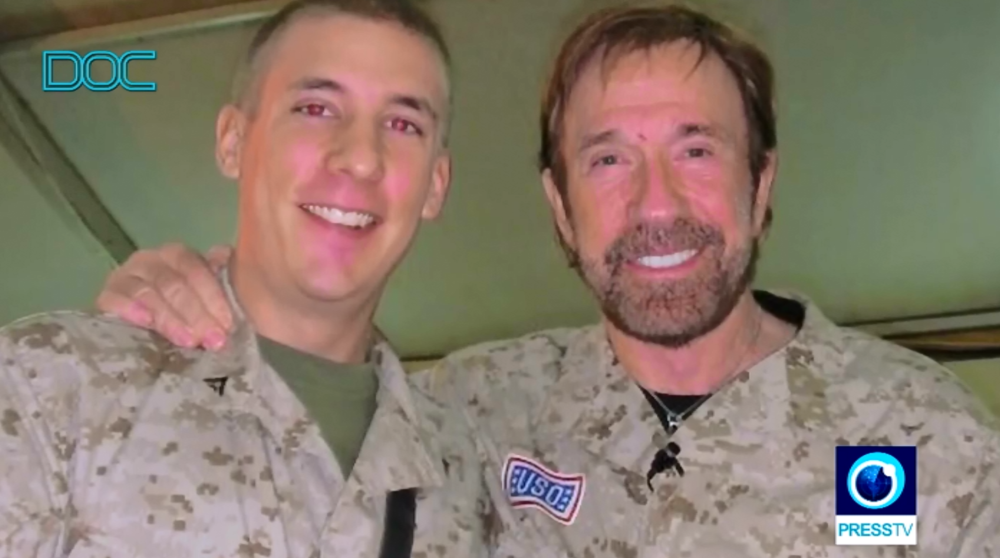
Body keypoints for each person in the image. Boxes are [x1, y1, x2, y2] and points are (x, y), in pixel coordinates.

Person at [96, 3, 999, 558]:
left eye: (696, 148)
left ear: (761, 184)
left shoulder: (926, 440)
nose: (655, 203)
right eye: (607, 160)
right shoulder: (462, 416)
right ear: (560, 208)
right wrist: (190, 295)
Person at [0, 1, 487, 556]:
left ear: (436, 185)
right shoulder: (53, 387)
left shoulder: (474, 472)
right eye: (316, 107)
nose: (360, 158)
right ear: (233, 141)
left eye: (403, 124)